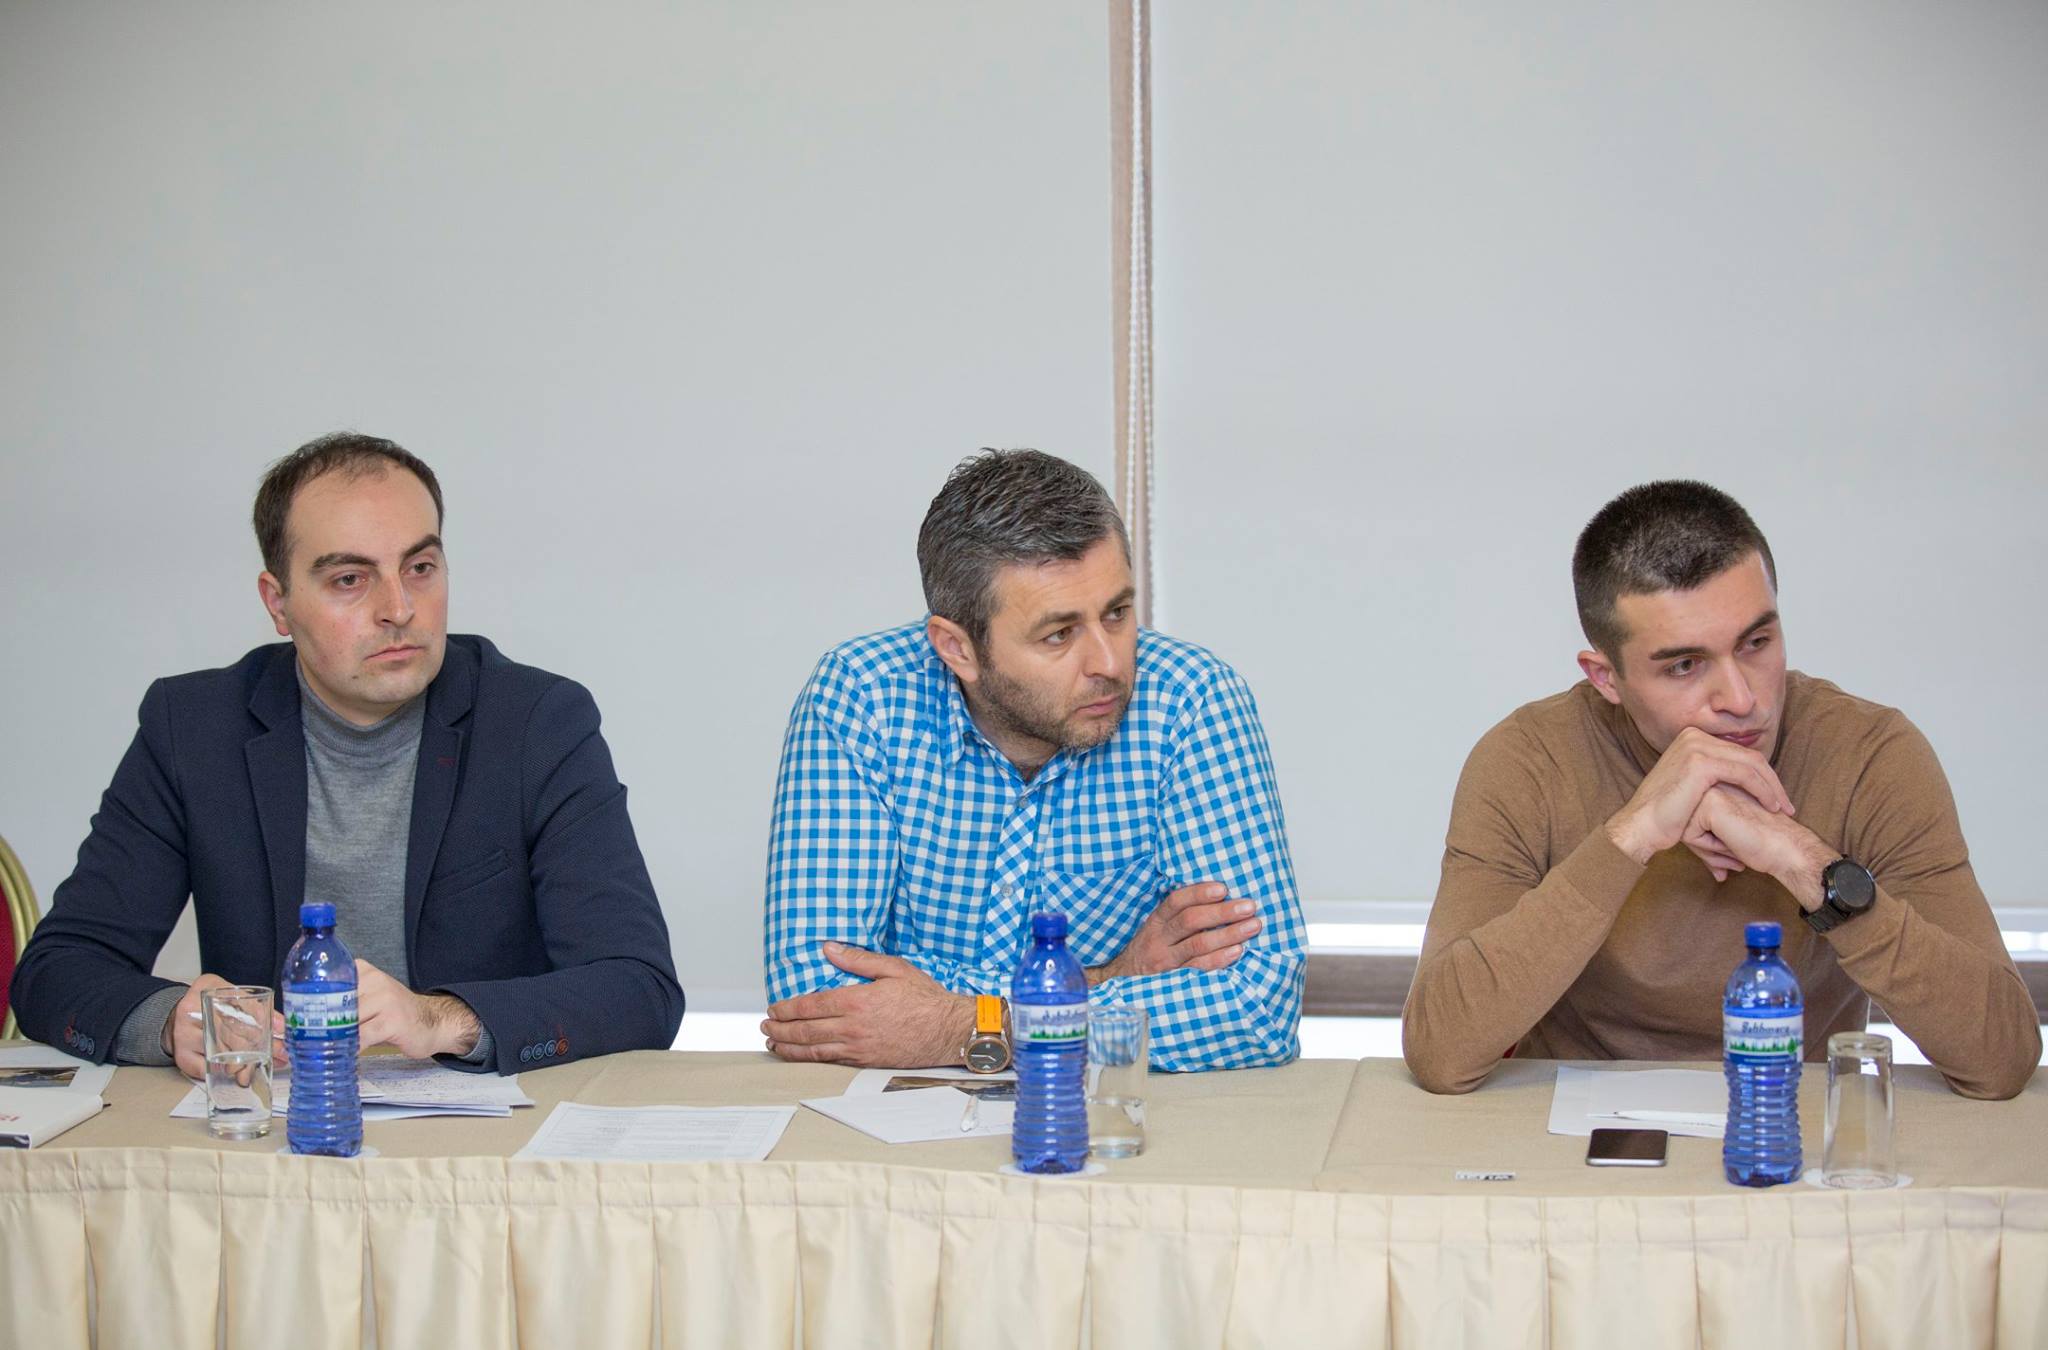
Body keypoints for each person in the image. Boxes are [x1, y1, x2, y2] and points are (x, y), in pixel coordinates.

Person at [14, 433, 683, 1077]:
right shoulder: (193, 729)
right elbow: (56, 970)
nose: (399, 607)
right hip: (278, 1124)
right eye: (349, 579)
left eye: (420, 568)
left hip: (484, 1134)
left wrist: (441, 1019)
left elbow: (639, 987)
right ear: (278, 603)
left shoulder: (538, 723)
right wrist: (170, 1021)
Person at [1403, 479, 2039, 1099]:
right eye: (1684, 665)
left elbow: (2002, 1058)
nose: (1742, 699)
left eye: (1757, 642)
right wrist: (1633, 834)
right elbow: (1441, 1050)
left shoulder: (1873, 753)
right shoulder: (1526, 760)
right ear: (1606, 678)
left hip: (1789, 1121)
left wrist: (1800, 859)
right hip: (1574, 1131)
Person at [761, 448, 1304, 1071]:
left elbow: (1258, 1007)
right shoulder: (863, 698)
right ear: (957, 649)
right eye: (1059, 634)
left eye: (1117, 613)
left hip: (1109, 1121)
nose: (1109, 663)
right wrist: (1113, 976)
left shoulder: (1191, 699)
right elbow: (816, 1001)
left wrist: (958, 1024)